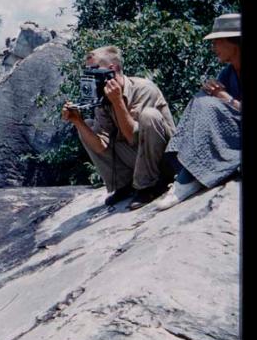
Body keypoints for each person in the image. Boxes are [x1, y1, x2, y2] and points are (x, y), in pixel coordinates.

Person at [62, 45, 176, 210]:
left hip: (163, 161)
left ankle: (148, 187)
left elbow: (134, 138)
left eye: (94, 70)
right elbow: (101, 146)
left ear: (112, 69)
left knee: (149, 116)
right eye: (87, 71)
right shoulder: (103, 99)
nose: (89, 75)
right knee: (88, 125)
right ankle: (125, 185)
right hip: (137, 157)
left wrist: (117, 102)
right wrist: (77, 121)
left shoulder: (143, 89)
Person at [156, 13, 242, 210]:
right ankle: (189, 170)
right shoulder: (228, 73)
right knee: (202, 99)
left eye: (217, 42)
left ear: (234, 43)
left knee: (206, 104)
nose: (214, 49)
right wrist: (213, 93)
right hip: (232, 133)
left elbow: (224, 104)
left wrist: (224, 97)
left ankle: (190, 177)